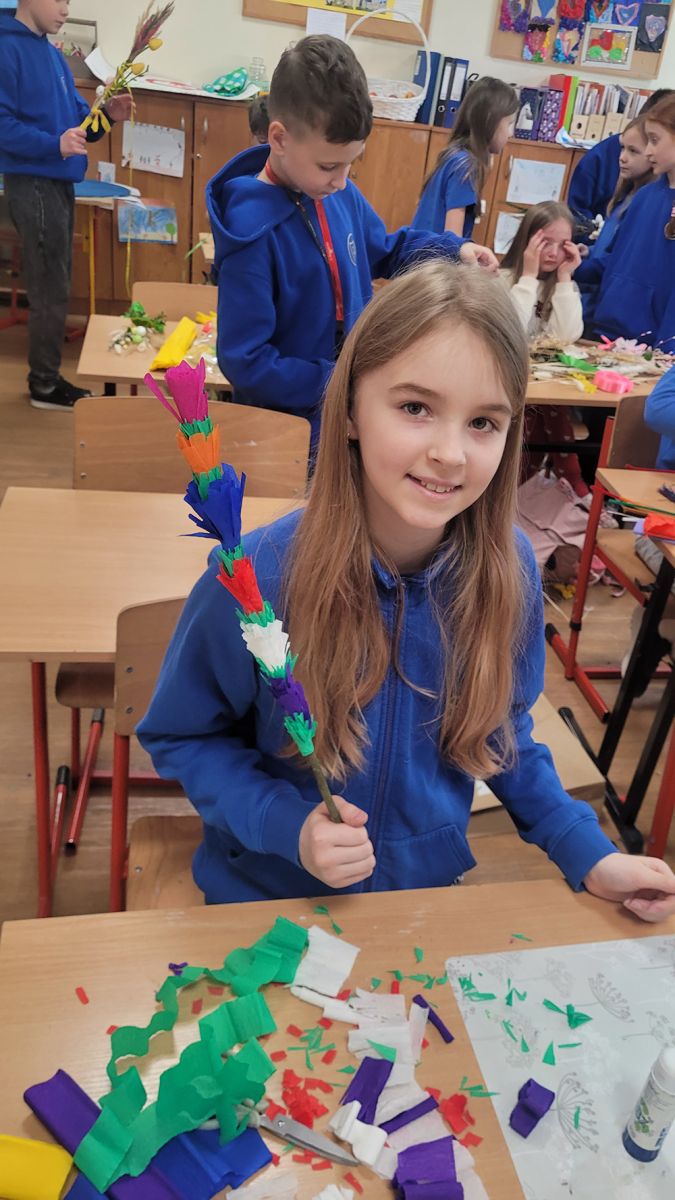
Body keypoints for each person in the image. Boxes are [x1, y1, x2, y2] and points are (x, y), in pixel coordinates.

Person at [138, 260, 675, 922]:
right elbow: (184, 736)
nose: (451, 453)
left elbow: (501, 731)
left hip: (419, 905)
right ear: (351, 409)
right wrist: (288, 826)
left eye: (483, 422)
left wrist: (585, 851)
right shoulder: (260, 577)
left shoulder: (508, 570)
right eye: (415, 408)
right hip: (266, 904)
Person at [207, 35, 498, 450]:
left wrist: (454, 250)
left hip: (349, 413)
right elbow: (246, 361)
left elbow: (386, 250)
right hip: (286, 433)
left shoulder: (337, 193)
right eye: (329, 165)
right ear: (280, 138)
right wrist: (339, 382)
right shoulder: (251, 232)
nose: (342, 181)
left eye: (350, 163)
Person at [0, 0, 133, 409]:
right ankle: (43, 385)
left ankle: (47, 378)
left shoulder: (52, 54)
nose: (65, 8)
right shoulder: (7, 48)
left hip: (56, 183)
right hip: (33, 183)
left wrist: (108, 115)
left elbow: (82, 127)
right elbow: (2, 126)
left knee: (57, 282)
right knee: (49, 286)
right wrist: (53, 145)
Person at [590, 94, 675, 352]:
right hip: (609, 332)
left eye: (655, 140)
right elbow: (615, 260)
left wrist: (667, 351)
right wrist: (574, 264)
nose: (649, 151)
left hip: (655, 350)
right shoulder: (644, 196)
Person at [411, 76, 519, 238]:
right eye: (509, 124)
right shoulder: (466, 166)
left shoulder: (454, 155)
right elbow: (452, 238)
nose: (511, 133)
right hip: (435, 253)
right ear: (490, 121)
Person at [575, 119, 654, 329]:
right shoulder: (624, 196)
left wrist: (576, 268)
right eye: (622, 148)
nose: (622, 157)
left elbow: (616, 262)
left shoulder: (644, 203)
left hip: (606, 308)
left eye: (633, 151)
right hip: (591, 301)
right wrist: (589, 251)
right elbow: (610, 248)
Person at [567, 88, 673, 228]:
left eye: (655, 140)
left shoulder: (655, 195)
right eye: (623, 147)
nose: (622, 158)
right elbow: (576, 212)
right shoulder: (600, 158)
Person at [499, 200, 583, 343]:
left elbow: (566, 338)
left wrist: (564, 277)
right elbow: (509, 332)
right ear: (527, 241)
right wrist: (528, 278)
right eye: (546, 242)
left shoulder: (566, 288)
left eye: (563, 244)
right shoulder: (501, 280)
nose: (554, 253)